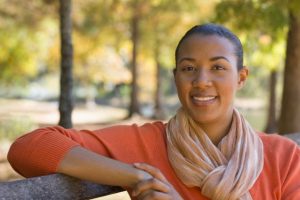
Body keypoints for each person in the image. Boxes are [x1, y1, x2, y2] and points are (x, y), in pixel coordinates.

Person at [8, 24, 300, 200]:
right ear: (176, 78)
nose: (201, 81)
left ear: (241, 77)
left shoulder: (283, 158)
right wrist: (136, 176)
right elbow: (29, 149)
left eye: (218, 67)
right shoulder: (145, 144)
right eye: (188, 68)